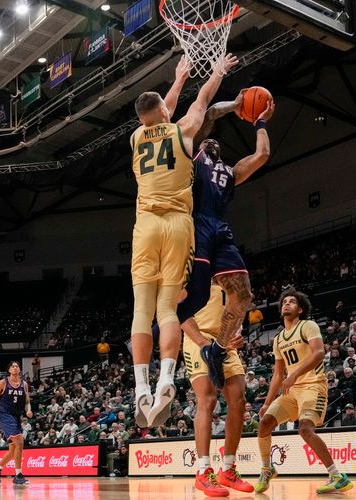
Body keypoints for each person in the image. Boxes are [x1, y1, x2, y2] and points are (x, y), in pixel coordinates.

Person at [129, 53, 238, 428]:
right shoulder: (183, 130)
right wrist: (216, 73)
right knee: (167, 310)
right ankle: (165, 381)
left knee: (141, 309)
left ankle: (141, 386)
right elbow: (201, 102)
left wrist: (176, 80)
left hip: (144, 226)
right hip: (176, 224)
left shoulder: (136, 136)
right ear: (163, 112)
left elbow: (161, 110)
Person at [177, 92, 274, 388]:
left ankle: (217, 350)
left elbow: (262, 156)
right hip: (197, 224)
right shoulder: (194, 156)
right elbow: (207, 116)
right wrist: (236, 105)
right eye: (209, 141)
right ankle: (171, 326)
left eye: (215, 142)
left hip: (221, 229)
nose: (212, 142)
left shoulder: (229, 172)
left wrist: (259, 122)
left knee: (243, 296)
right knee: (195, 295)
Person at [254, 289, 352, 494]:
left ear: (300, 309)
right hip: (292, 390)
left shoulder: (308, 326)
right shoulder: (278, 339)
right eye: (284, 302)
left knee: (305, 429)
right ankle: (266, 469)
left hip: (313, 386)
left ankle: (337, 476)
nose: (287, 304)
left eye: (292, 302)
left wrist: (295, 375)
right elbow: (278, 375)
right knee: (264, 424)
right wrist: (266, 403)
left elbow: (318, 353)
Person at [180, 284, 252, 496]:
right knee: (207, 400)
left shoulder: (229, 277)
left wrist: (237, 334)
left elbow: (237, 311)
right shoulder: (191, 274)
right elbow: (181, 315)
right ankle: (203, 472)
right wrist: (203, 344)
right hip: (199, 339)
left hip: (224, 342)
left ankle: (227, 470)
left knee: (239, 400)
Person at [0, 361, 32, 486]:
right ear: (9, 370)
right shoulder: (3, 383)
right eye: (13, 366)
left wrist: (29, 410)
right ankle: (18, 475)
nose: (16, 367)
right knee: (20, 441)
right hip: (5, 416)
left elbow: (27, 401)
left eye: (17, 366)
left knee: (13, 450)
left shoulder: (24, 384)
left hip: (17, 417)